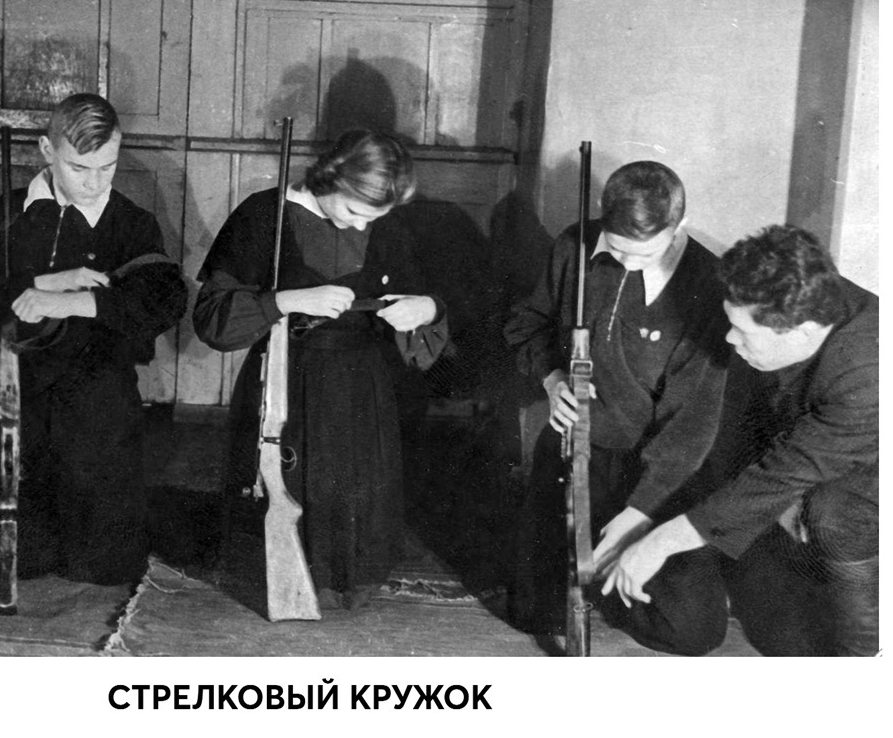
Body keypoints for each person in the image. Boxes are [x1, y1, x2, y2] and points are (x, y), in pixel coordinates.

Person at [194, 130, 447, 610]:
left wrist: (427, 308)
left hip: (361, 395)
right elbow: (213, 320)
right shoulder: (263, 216)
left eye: (373, 218)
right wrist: (286, 301)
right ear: (330, 178)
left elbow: (428, 305)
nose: (361, 226)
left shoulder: (384, 223)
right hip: (284, 383)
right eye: (353, 211)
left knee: (355, 515)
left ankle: (344, 582)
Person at [601, 225, 878, 656]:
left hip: (864, 483)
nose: (730, 338)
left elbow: (782, 475)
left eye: (743, 331)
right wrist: (644, 509)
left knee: (834, 517)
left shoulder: (869, 373)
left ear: (802, 332)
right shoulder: (797, 299)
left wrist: (660, 542)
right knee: (762, 632)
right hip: (801, 472)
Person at [0, 93, 186, 585]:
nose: (94, 183)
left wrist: (73, 302)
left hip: (100, 400)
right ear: (46, 150)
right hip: (23, 394)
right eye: (79, 168)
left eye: (107, 167)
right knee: (11, 554)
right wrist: (38, 285)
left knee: (103, 565)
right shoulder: (7, 213)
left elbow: (164, 301)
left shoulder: (132, 222)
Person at [503, 160, 731, 634]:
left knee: (691, 631)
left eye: (643, 255)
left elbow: (692, 423)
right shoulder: (574, 244)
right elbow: (527, 324)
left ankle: (607, 577)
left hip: (660, 466)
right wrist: (552, 380)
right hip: (574, 443)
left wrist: (641, 513)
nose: (626, 263)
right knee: (538, 616)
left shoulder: (709, 283)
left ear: (678, 225)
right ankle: (592, 576)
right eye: (617, 249)